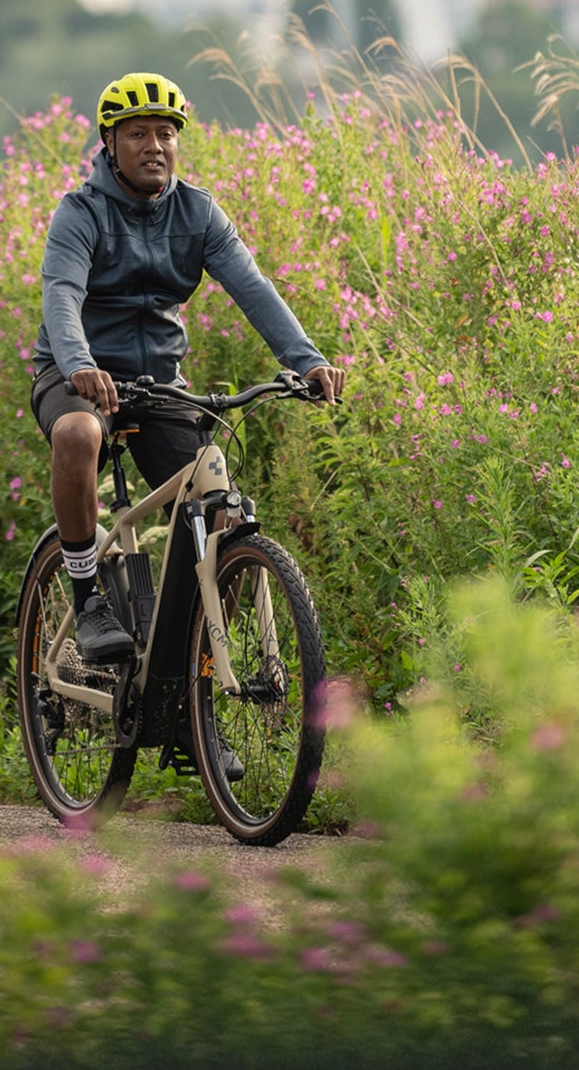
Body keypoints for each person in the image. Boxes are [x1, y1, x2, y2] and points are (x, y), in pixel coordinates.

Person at [30, 74, 346, 761]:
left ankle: (189, 703)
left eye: (167, 133)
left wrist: (307, 359)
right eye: (139, 133)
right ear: (110, 143)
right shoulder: (79, 213)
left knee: (223, 514)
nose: (155, 145)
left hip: (158, 384)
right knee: (79, 432)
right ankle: (88, 596)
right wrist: (80, 361)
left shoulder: (200, 214)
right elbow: (61, 294)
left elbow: (252, 288)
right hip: (74, 371)